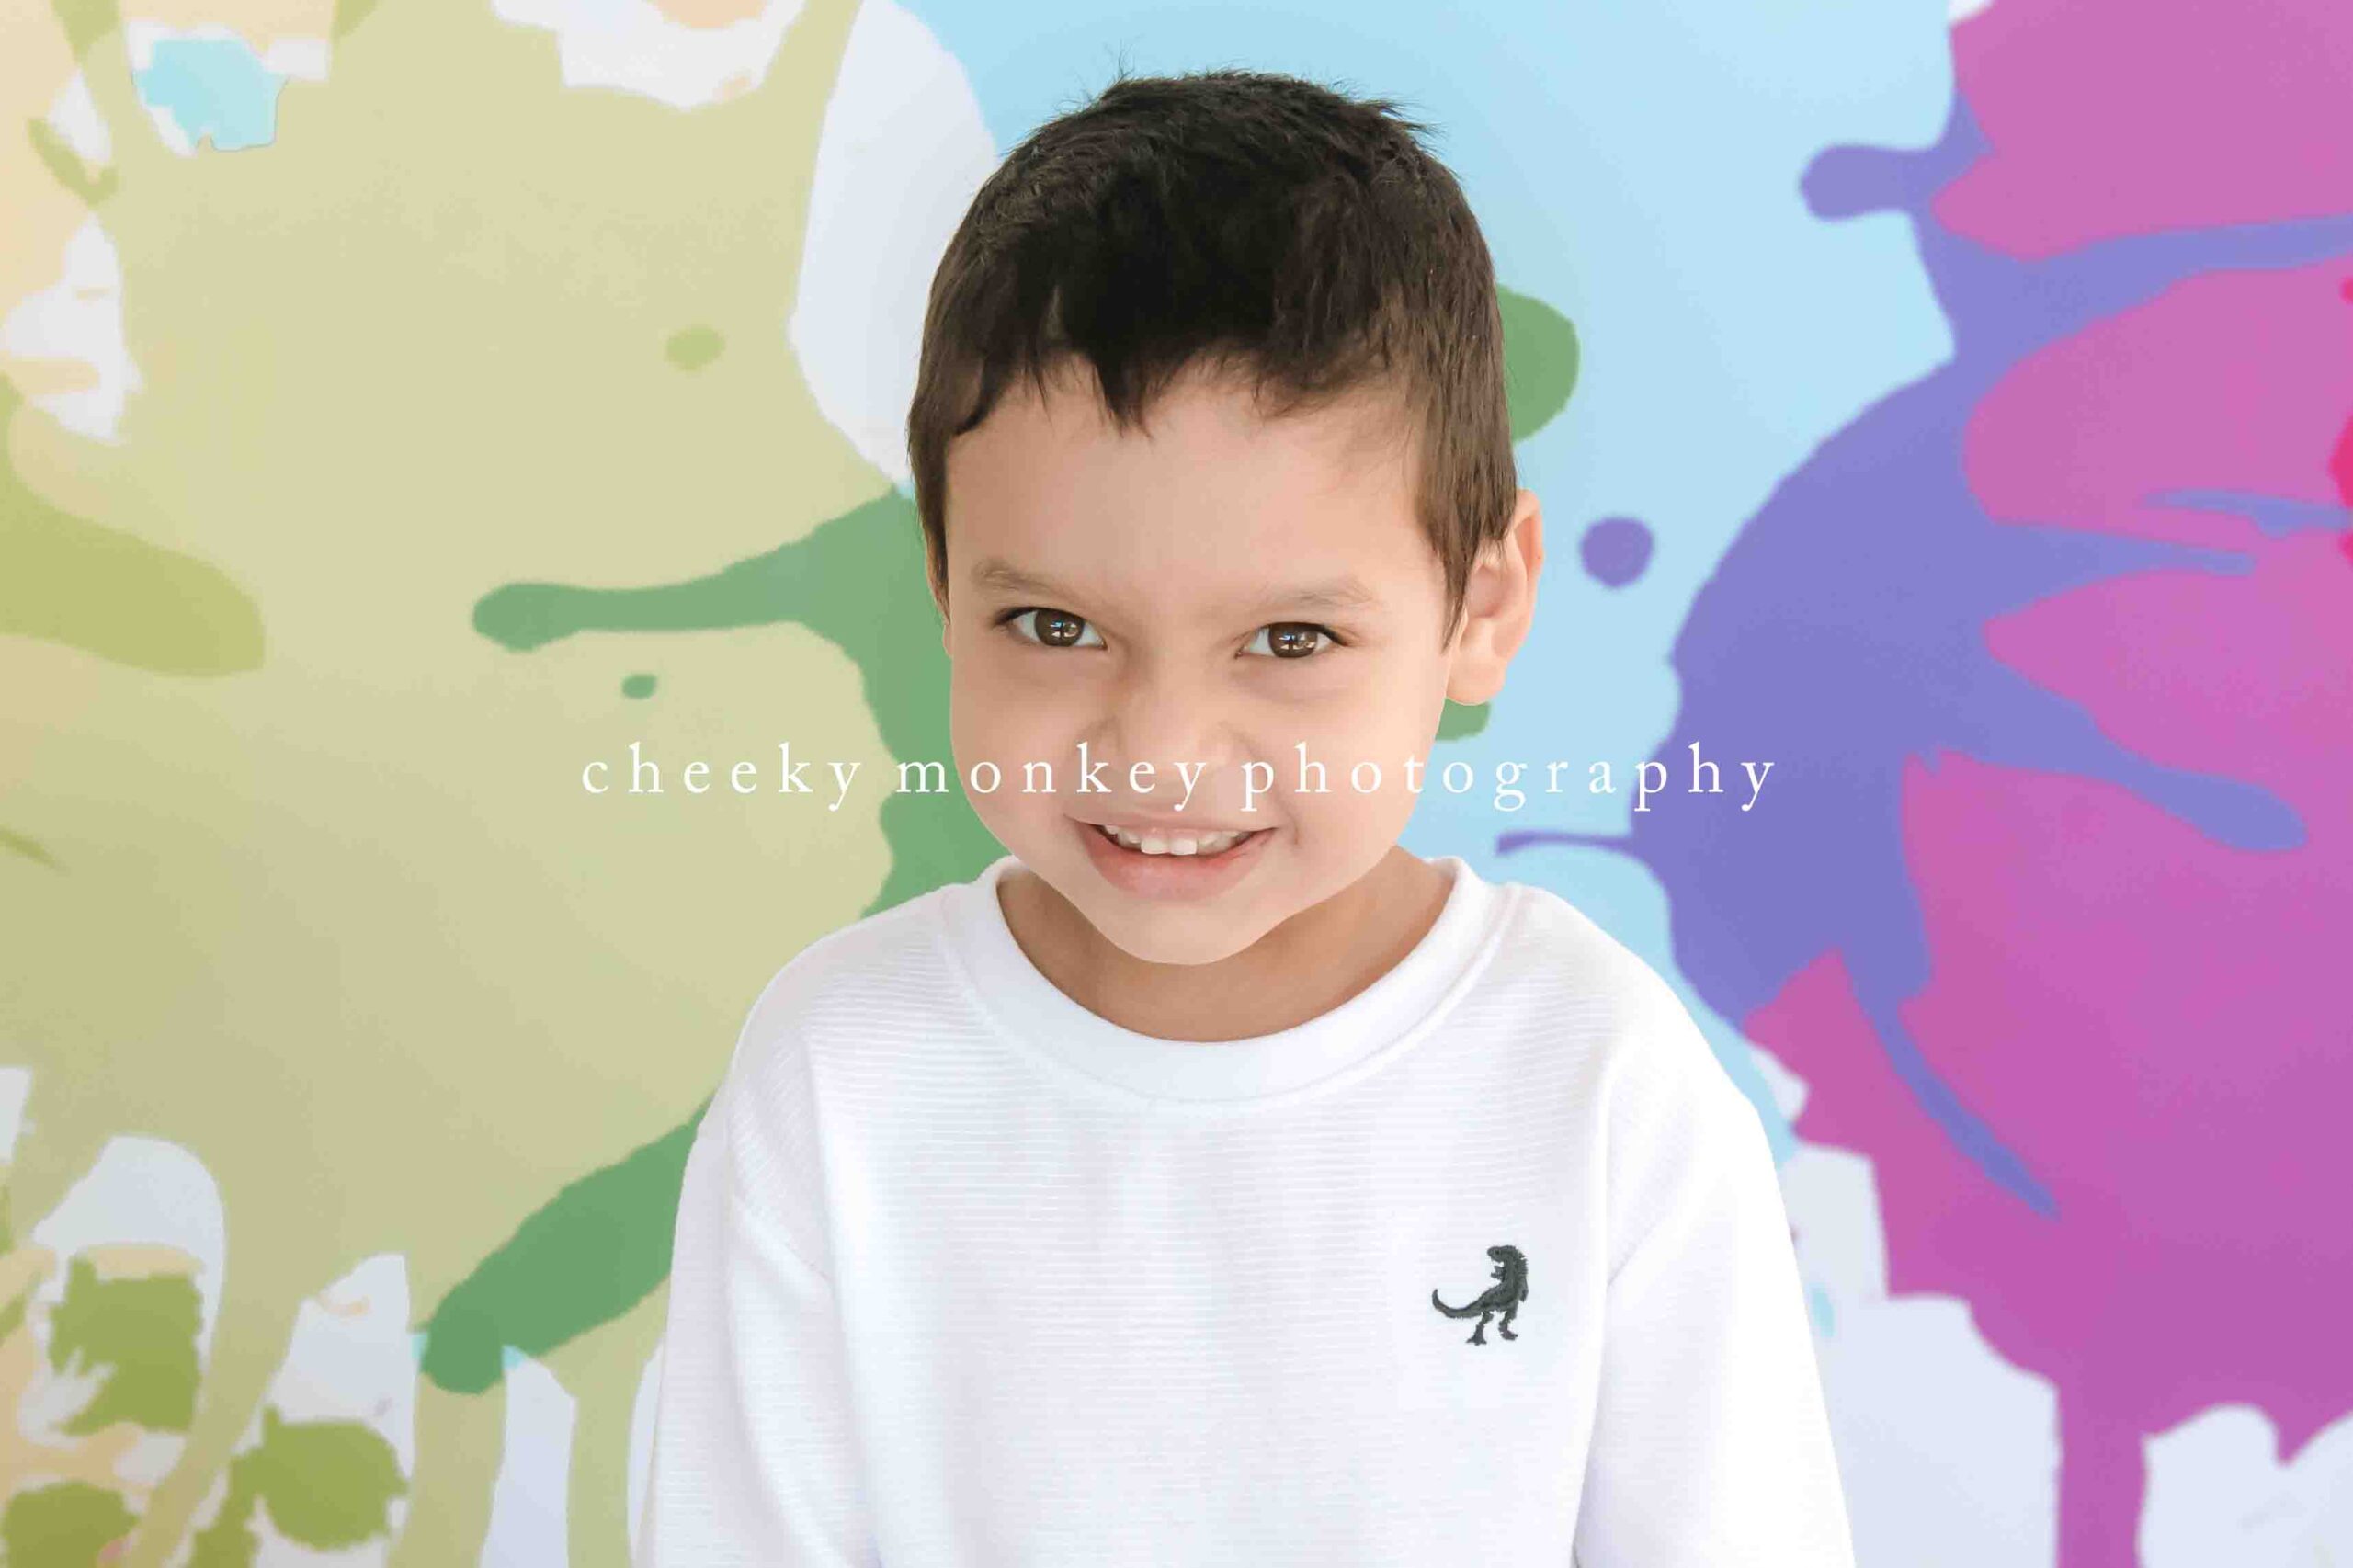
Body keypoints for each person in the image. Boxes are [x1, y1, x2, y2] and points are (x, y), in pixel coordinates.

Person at [637, 65, 1854, 1567]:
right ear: (945, 585)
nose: (1160, 755)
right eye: (1056, 627)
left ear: (1482, 603)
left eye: (1289, 640)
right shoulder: (838, 1081)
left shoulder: (1603, 1090)